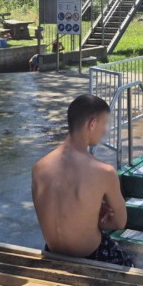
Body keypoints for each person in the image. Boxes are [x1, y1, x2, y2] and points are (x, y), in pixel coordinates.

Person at [31, 94, 133, 266]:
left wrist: (89, 209)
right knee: (132, 264)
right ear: (92, 124)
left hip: (52, 254)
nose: (105, 131)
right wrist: (98, 216)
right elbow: (120, 222)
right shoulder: (104, 172)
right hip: (91, 258)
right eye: (104, 124)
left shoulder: (39, 167)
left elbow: (60, 206)